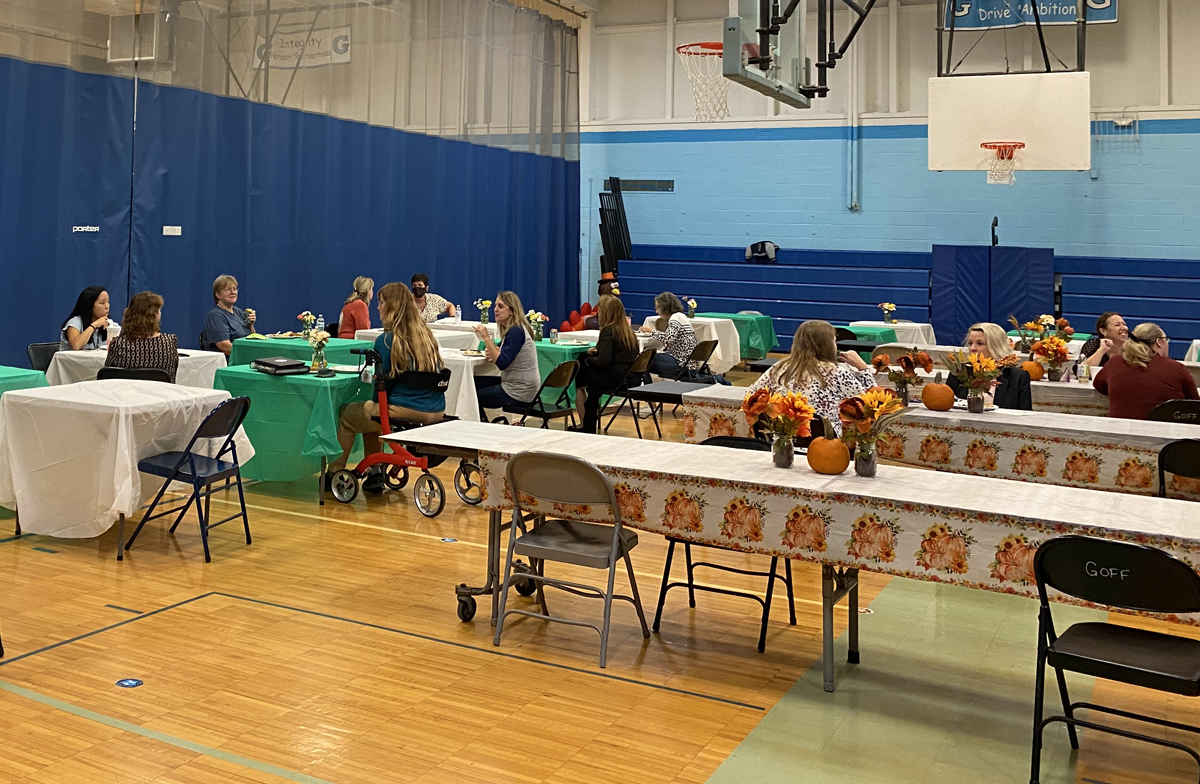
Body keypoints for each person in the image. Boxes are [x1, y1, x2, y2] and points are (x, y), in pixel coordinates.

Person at [329, 283, 446, 487]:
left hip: (407, 409)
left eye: (381, 303)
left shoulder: (386, 341)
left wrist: (373, 403)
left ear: (391, 307)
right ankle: (375, 470)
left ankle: (334, 473)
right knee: (371, 411)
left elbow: (382, 388)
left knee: (349, 415)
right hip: (436, 409)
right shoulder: (427, 337)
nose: (378, 307)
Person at [745, 320, 875, 436]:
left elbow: (750, 396)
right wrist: (863, 368)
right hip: (825, 444)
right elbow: (869, 404)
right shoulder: (835, 372)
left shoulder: (778, 368)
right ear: (827, 345)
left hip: (782, 439)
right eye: (834, 341)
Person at [1093, 322, 1198, 420]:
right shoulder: (1176, 368)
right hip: (1166, 434)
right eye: (1166, 340)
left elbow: (1099, 385)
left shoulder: (1114, 362)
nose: (1167, 344)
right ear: (1159, 342)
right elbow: (1194, 404)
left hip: (1119, 433)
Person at [573, 295, 640, 433]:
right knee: (589, 376)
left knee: (581, 368)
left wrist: (588, 359)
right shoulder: (628, 332)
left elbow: (603, 362)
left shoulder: (608, 330)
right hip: (630, 378)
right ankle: (586, 422)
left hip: (614, 379)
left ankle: (586, 423)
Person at [473, 291, 541, 418]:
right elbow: (500, 352)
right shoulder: (516, 329)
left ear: (512, 310)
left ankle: (481, 426)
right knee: (472, 382)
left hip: (519, 392)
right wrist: (494, 351)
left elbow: (502, 363)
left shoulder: (516, 331)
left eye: (501, 306)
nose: (496, 310)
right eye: (495, 306)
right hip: (519, 385)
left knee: (471, 393)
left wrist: (486, 338)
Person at [948, 322, 1032, 410]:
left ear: (995, 346)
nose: (972, 348)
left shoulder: (1018, 377)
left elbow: (1026, 414)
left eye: (980, 344)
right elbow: (947, 405)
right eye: (970, 343)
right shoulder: (959, 372)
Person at [104, 291, 179, 382]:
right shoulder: (169, 343)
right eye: (159, 310)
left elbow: (108, 378)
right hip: (160, 394)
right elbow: (171, 377)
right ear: (154, 315)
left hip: (124, 394)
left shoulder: (118, 344)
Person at [637, 292, 698, 379]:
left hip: (681, 365)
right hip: (689, 364)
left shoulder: (675, 318)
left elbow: (668, 338)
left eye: (657, 308)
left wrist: (651, 331)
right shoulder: (682, 317)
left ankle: (644, 388)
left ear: (664, 307)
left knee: (643, 359)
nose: (656, 311)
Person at [202, 275, 255, 357]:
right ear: (218, 294)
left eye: (234, 289)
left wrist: (250, 325)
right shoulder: (216, 316)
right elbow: (224, 346)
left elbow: (252, 337)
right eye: (228, 290)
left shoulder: (238, 312)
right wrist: (250, 355)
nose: (233, 292)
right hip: (231, 361)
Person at [60, 286, 113, 350]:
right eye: (102, 303)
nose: (107, 306)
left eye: (108, 302)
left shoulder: (106, 324)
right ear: (90, 306)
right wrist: (94, 325)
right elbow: (76, 346)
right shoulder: (75, 322)